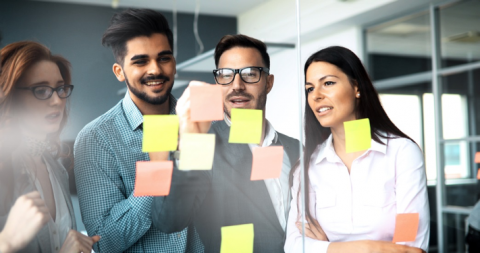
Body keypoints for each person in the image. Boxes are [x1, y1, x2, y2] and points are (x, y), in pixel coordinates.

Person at [150, 34, 300, 252]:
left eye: (250, 74)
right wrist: (190, 142)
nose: (236, 85)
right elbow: (168, 221)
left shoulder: (295, 149)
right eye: (226, 75)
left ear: (268, 82)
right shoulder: (204, 147)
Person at [73, 9, 203, 252]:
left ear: (174, 64)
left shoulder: (202, 124)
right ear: (119, 71)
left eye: (164, 58)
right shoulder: (95, 139)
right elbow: (104, 242)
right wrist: (157, 174)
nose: (155, 69)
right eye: (140, 61)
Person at [284, 46, 430, 253]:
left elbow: (411, 248)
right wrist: (371, 248)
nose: (316, 96)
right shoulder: (306, 166)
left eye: (328, 83)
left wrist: (326, 246)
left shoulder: (402, 154)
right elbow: (294, 246)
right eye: (310, 88)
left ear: (356, 87)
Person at [0, 41, 100, 253]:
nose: (57, 101)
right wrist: (5, 242)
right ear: (11, 96)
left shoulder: (58, 169)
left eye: (60, 88)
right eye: (42, 90)